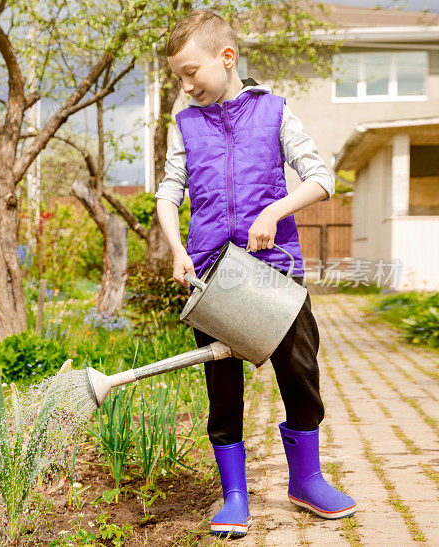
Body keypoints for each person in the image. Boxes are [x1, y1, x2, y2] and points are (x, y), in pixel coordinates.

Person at [155, 9, 357, 538]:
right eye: (179, 76)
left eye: (191, 71)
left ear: (227, 58)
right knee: (222, 388)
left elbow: (321, 178)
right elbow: (167, 193)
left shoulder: (274, 114)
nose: (186, 84)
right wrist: (176, 247)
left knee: (300, 372)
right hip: (211, 276)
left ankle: (307, 480)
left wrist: (274, 212)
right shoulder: (185, 126)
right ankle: (234, 494)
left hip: (274, 273)